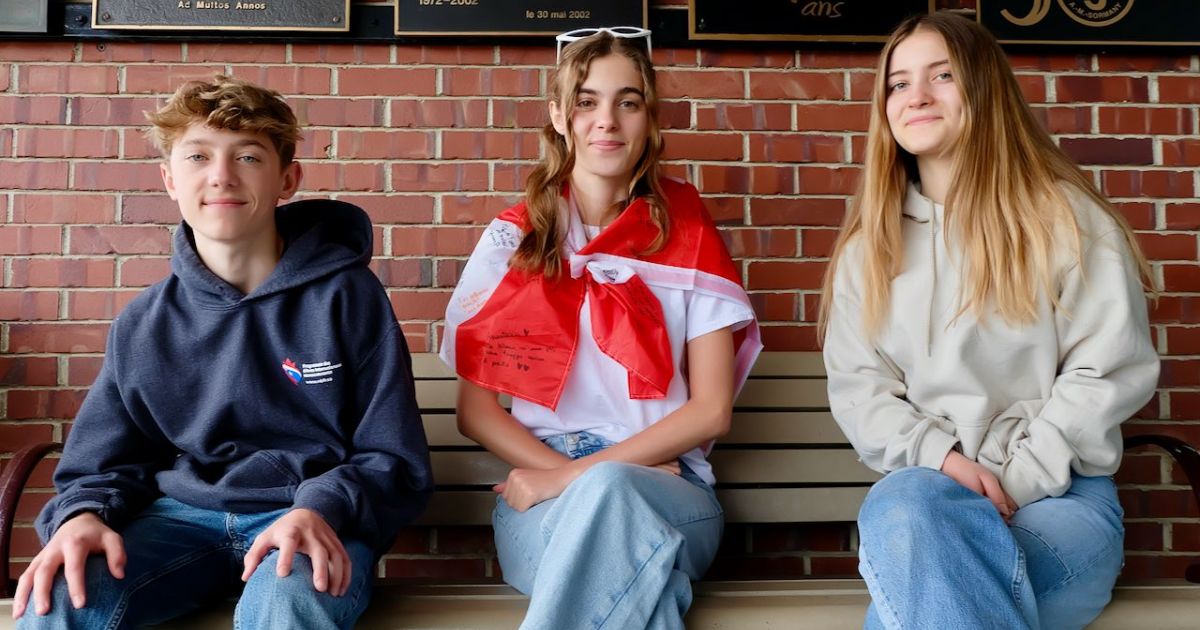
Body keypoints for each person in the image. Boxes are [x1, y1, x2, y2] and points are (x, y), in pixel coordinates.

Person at [12, 75, 433, 629]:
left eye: (249, 157)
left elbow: (393, 457)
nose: (221, 176)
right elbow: (101, 462)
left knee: (290, 597)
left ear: (288, 178)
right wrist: (82, 516)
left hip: (308, 517)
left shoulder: (348, 299)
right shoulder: (145, 322)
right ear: (169, 179)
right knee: (62, 596)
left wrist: (319, 506)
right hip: (179, 521)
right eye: (197, 156)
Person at [819, 12, 1159, 630]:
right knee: (909, 504)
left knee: (903, 609)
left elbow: (1103, 372)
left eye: (942, 75)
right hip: (927, 499)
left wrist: (1014, 482)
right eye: (897, 83)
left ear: (984, 89)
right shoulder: (868, 252)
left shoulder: (1068, 222)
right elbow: (861, 390)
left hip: (1060, 499)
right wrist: (946, 463)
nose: (916, 95)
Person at [439, 27, 761, 630]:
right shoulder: (514, 241)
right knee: (644, 588)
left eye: (628, 101)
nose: (606, 120)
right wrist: (570, 478)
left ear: (649, 118)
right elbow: (476, 412)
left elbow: (712, 410)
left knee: (614, 497)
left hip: (667, 486)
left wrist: (579, 477)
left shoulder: (688, 235)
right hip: (544, 486)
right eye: (586, 101)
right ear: (559, 116)